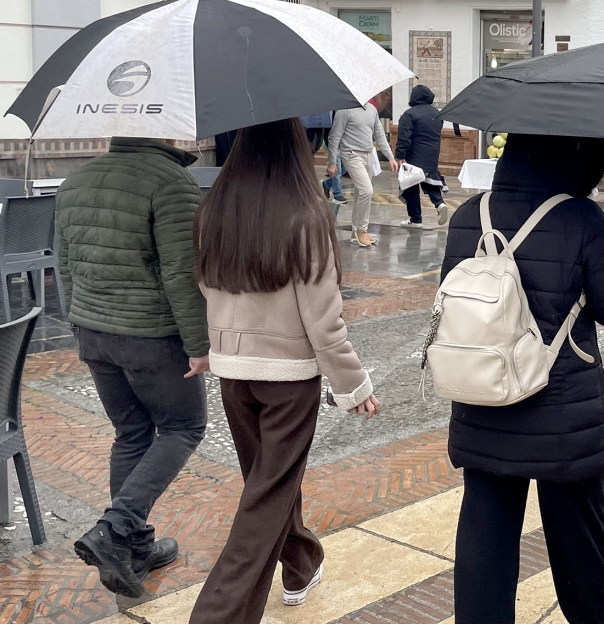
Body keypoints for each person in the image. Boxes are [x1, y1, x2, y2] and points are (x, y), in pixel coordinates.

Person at [442, 134, 604, 624]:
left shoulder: (469, 215)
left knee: (484, 538)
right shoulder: (580, 219)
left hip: (483, 397)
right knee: (579, 538)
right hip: (563, 413)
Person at [189, 118, 380, 623]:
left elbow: (207, 287)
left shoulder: (214, 208)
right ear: (297, 146)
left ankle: (300, 564)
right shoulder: (306, 212)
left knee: (267, 482)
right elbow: (324, 319)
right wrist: (352, 385)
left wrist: (216, 346)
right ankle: (217, 614)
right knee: (267, 493)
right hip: (288, 377)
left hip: (235, 374)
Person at [56, 137, 210, 598]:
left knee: (131, 432)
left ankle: (135, 548)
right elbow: (182, 271)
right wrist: (199, 343)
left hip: (93, 330)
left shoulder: (76, 178)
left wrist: (78, 323)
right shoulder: (171, 182)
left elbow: (64, 265)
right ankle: (115, 530)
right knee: (184, 427)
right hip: (150, 335)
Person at [326, 98, 398, 247]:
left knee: (361, 193)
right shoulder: (344, 110)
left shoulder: (372, 110)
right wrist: (332, 162)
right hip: (351, 154)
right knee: (367, 191)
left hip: (368, 154)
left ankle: (355, 232)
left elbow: (380, 135)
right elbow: (334, 137)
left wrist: (390, 157)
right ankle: (362, 230)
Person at [395, 85, 449, 228]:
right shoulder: (437, 114)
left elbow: (404, 138)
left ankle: (416, 219)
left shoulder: (409, 114)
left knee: (411, 186)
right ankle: (440, 204)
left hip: (414, 156)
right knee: (429, 181)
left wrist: (400, 156)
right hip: (432, 155)